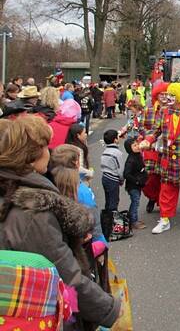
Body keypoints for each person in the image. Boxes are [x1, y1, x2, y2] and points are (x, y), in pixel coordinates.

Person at [0, 115, 120, 329]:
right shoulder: (33, 211)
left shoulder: (10, 192)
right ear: (33, 155)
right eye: (46, 146)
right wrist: (109, 308)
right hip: (42, 313)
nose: (50, 151)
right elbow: (66, 274)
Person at [140, 82, 180, 234]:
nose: (168, 98)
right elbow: (155, 131)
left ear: (179, 98)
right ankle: (164, 219)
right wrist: (147, 141)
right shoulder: (164, 112)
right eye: (167, 95)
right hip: (169, 160)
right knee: (167, 191)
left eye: (171, 95)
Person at [140, 81, 169, 213]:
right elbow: (142, 126)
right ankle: (152, 197)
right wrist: (149, 138)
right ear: (156, 95)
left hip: (167, 148)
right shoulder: (149, 110)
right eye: (161, 94)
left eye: (166, 94)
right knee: (150, 177)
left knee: (165, 177)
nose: (163, 97)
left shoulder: (172, 110)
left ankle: (163, 203)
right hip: (151, 148)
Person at [123, 138, 147, 230]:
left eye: (137, 144)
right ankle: (133, 221)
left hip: (138, 185)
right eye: (134, 145)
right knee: (135, 202)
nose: (137, 146)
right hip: (133, 186)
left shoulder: (138, 155)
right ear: (129, 148)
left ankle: (133, 219)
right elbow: (126, 174)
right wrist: (136, 181)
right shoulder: (131, 160)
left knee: (136, 201)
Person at [101, 129, 123, 213]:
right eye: (118, 137)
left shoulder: (105, 152)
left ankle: (106, 220)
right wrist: (121, 180)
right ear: (115, 140)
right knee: (114, 201)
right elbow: (120, 170)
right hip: (113, 179)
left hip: (105, 177)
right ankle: (113, 221)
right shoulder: (117, 153)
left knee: (108, 200)